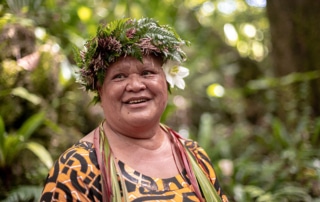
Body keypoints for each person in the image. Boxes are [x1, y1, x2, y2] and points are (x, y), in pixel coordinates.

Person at [40, 17, 228, 202]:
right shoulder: (77, 167)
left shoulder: (193, 155)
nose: (135, 85)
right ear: (100, 90)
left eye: (147, 73)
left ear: (166, 82)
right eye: (119, 76)